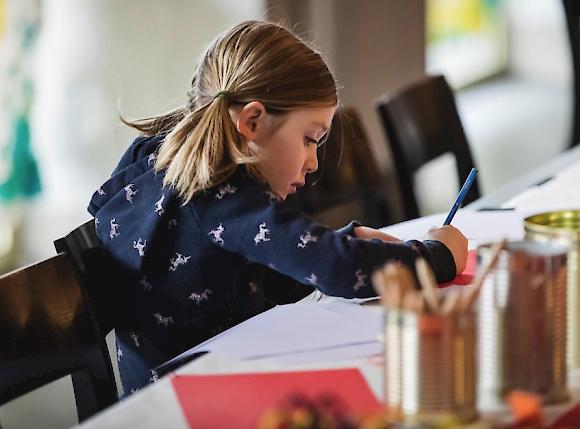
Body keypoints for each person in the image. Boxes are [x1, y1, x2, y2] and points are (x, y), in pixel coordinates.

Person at [88, 20, 468, 394]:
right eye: (309, 139)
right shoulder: (221, 196)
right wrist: (436, 256)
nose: (313, 162)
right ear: (252, 122)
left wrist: (339, 242)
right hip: (195, 405)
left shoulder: (166, 171)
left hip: (164, 397)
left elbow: (254, 273)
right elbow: (336, 267)